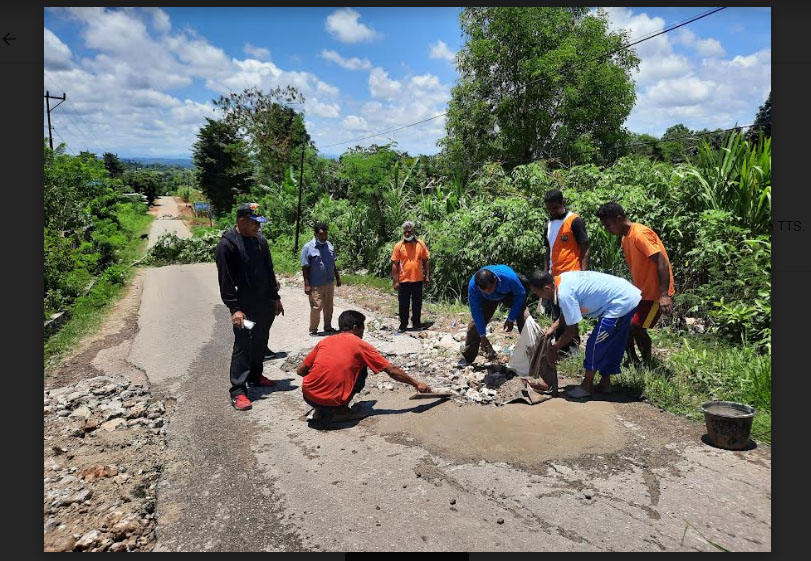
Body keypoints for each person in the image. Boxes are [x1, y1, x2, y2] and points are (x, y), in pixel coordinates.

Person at [296, 310, 431, 423]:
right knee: (362, 368)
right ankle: (340, 411)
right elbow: (391, 370)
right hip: (334, 400)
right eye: (362, 330)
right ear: (356, 328)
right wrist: (416, 384)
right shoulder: (360, 345)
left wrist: (321, 382)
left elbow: (301, 370)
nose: (362, 334)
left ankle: (321, 408)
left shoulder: (325, 341)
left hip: (308, 396)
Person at [529, 270, 641, 399]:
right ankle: (605, 383)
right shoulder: (562, 280)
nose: (540, 297)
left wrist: (554, 349)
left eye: (539, 293)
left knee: (595, 344)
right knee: (612, 343)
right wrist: (553, 327)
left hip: (620, 302)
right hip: (626, 295)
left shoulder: (564, 294)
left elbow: (572, 331)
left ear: (547, 288)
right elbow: (570, 310)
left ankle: (586, 386)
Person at [216, 202, 285, 411]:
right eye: (254, 223)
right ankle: (238, 390)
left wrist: (275, 297)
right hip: (243, 307)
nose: (258, 227)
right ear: (241, 221)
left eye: (259, 223)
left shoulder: (259, 241)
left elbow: (268, 270)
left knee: (261, 340)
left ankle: (255, 376)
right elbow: (226, 281)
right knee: (244, 343)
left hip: (264, 304)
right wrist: (234, 308)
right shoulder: (227, 245)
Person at [596, 202, 675, 364]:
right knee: (623, 325)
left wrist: (664, 295)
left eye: (608, 225)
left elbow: (661, 262)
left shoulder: (640, 234)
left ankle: (647, 363)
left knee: (636, 326)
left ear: (619, 219)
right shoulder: (626, 237)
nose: (607, 229)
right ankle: (633, 360)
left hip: (654, 293)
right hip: (641, 292)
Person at [541, 189, 589, 354]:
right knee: (557, 315)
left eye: (555, 208)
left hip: (572, 275)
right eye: (549, 209)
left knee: (569, 315)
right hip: (554, 277)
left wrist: (584, 273)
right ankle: (562, 350)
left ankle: (573, 349)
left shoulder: (574, 221)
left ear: (563, 202)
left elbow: (584, 248)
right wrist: (546, 274)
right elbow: (548, 251)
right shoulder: (548, 224)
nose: (553, 212)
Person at [458, 265, 528, 368]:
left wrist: (511, 318)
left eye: (490, 288)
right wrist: (482, 336)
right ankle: (468, 358)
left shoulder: (509, 278)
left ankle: (531, 352)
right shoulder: (473, 287)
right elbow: (476, 311)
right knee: (474, 327)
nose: (489, 292)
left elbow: (521, 294)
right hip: (487, 300)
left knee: (525, 316)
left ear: (495, 280)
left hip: (509, 293)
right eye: (485, 290)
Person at [301, 222, 341, 336]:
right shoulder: (308, 247)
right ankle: (313, 329)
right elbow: (305, 267)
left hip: (329, 282)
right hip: (315, 283)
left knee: (329, 306)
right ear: (316, 234)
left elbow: (333, 263)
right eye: (321, 234)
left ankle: (328, 327)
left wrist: (337, 278)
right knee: (317, 306)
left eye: (325, 234)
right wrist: (307, 284)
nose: (323, 236)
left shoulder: (329, 245)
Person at [391, 221, 430, 332]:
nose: (407, 234)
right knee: (403, 304)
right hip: (403, 281)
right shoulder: (399, 246)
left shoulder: (420, 244)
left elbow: (426, 260)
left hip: (417, 280)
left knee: (417, 304)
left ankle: (416, 323)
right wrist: (395, 281)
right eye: (405, 232)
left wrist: (427, 276)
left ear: (413, 231)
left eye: (409, 231)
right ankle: (403, 324)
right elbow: (395, 264)